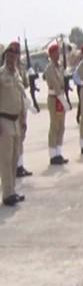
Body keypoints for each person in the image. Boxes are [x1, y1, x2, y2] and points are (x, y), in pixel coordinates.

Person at [0, 42, 26, 206]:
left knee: (15, 157)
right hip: (4, 120)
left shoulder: (17, 75)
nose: (11, 59)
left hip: (17, 121)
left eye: (14, 57)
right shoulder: (1, 75)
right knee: (5, 158)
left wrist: (23, 119)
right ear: (5, 57)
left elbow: (21, 99)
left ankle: (13, 190)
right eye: (9, 56)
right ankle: (7, 193)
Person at [45, 43, 70, 164]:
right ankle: (52, 155)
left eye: (58, 52)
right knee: (54, 126)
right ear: (50, 54)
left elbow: (63, 83)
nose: (58, 54)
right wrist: (62, 99)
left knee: (61, 127)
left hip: (61, 97)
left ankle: (59, 153)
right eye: (55, 52)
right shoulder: (49, 68)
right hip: (54, 98)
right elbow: (55, 84)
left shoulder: (60, 67)